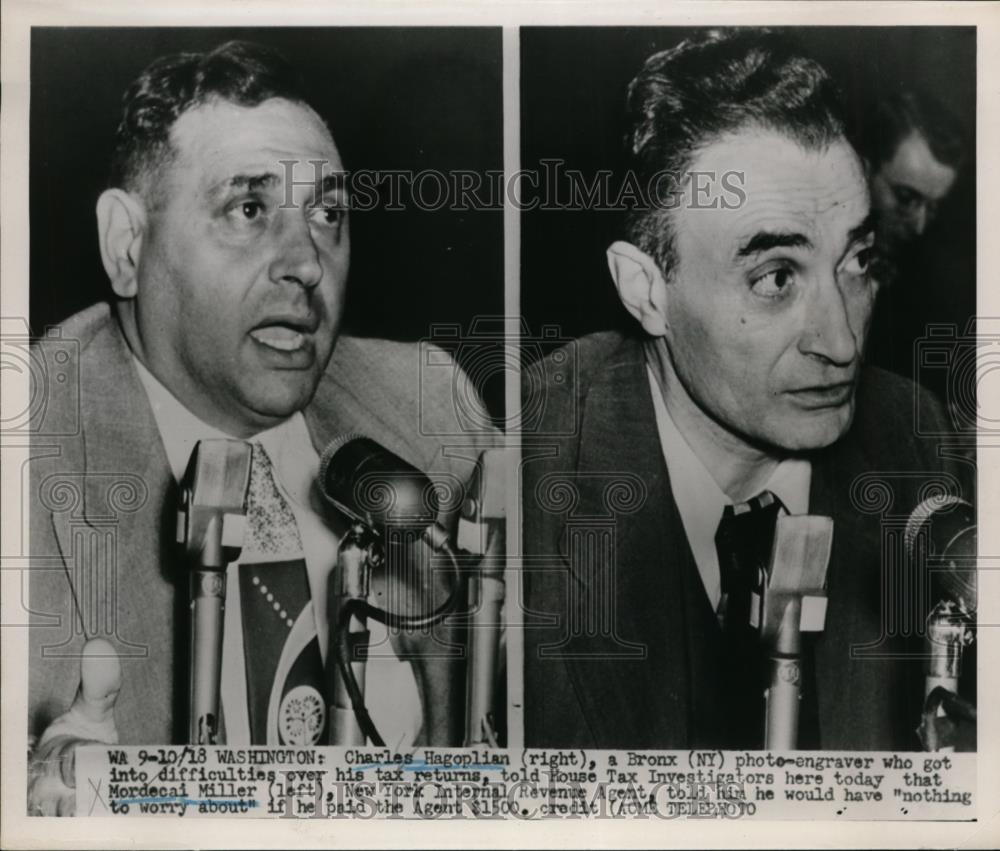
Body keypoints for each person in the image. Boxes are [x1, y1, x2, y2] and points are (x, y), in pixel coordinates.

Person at [27, 41, 496, 813]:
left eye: (328, 214)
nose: (306, 261)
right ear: (128, 244)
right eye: (249, 210)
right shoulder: (24, 445)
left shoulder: (428, 403)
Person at [522, 30, 971, 751]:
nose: (842, 342)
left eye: (857, 261)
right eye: (776, 279)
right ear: (646, 292)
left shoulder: (916, 441)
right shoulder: (526, 469)